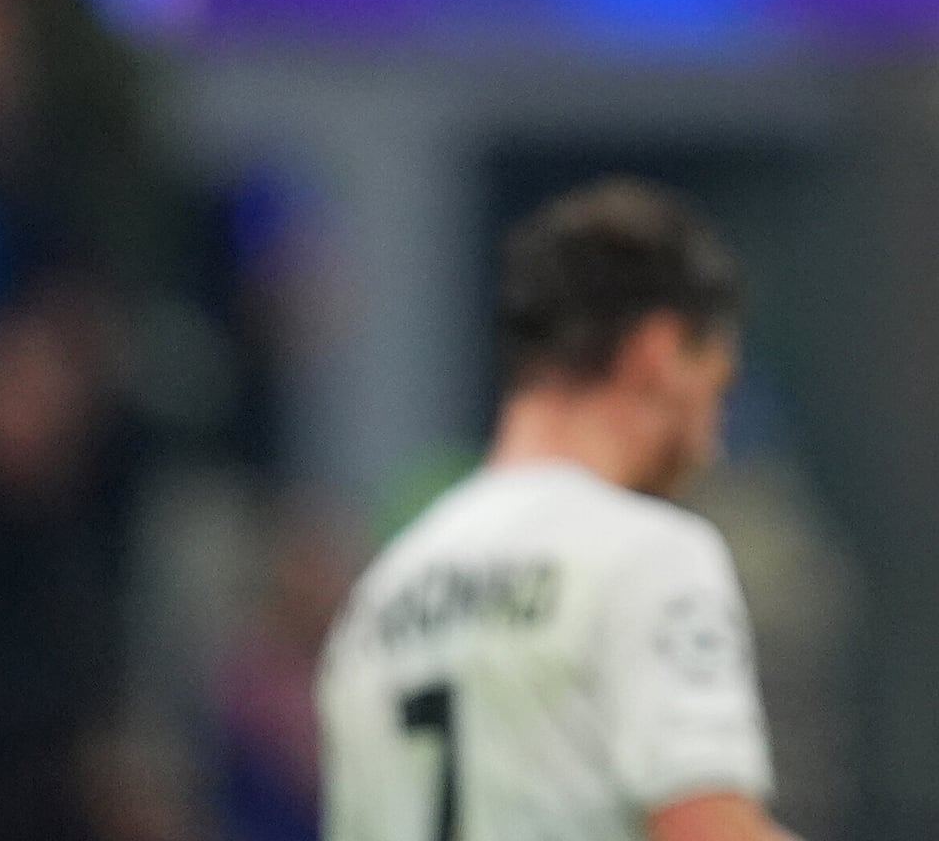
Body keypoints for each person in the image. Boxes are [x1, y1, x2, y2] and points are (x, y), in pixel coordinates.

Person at [317, 182, 790, 841]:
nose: (712, 441)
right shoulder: (649, 557)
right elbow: (707, 830)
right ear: (660, 353)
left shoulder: (378, 601)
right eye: (716, 388)